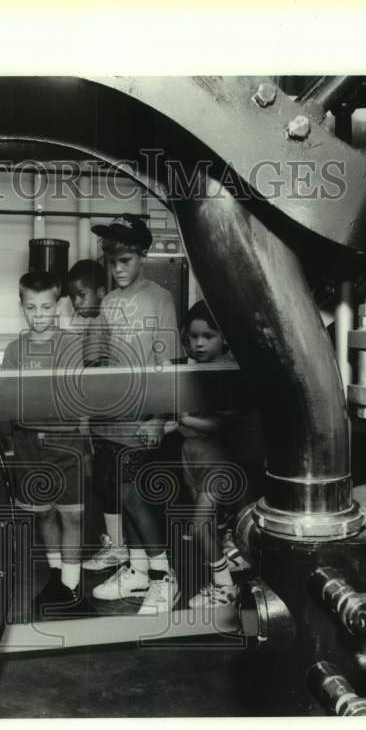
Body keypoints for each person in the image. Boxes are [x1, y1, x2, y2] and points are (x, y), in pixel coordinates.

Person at [88, 214, 184, 615]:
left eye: (125, 259)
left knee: (134, 494)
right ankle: (139, 570)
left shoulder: (160, 298)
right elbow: (104, 365)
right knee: (115, 491)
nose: (117, 268)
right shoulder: (108, 303)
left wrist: (159, 418)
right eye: (111, 260)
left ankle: (166, 577)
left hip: (143, 417)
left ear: (142, 255)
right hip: (111, 418)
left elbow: (169, 365)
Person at [2, 270, 92, 617]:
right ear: (21, 307)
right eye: (31, 308)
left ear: (58, 305)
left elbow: (74, 398)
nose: (39, 316)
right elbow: (9, 402)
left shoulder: (71, 343)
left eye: (46, 307)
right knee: (44, 514)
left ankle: (71, 588)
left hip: (65, 442)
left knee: (71, 516)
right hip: (28, 443)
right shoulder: (13, 349)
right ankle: (57, 577)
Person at [164, 300, 250, 610]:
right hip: (193, 459)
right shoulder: (195, 367)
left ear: (224, 337)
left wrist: (183, 419)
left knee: (199, 527)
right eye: (193, 336)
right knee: (208, 527)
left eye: (208, 336)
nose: (199, 343)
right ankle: (230, 565)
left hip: (218, 461)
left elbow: (225, 425)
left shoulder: (228, 370)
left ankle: (225, 588)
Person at [61, 258, 130, 572]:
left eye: (82, 294)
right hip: (106, 413)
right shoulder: (93, 320)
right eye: (73, 295)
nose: (77, 301)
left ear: (101, 292)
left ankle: (118, 547)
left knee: (107, 481)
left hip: (103, 414)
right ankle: (117, 544)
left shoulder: (99, 321)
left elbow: (92, 372)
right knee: (106, 482)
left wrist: (85, 416)